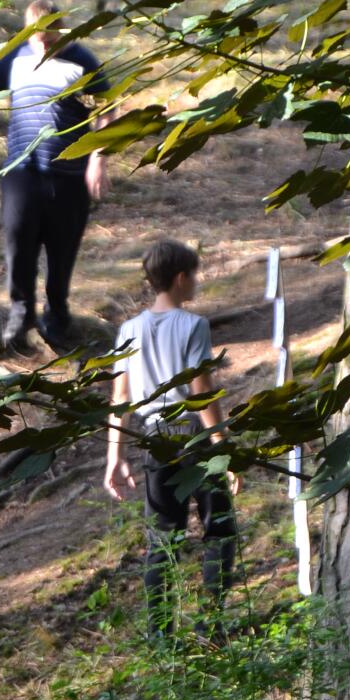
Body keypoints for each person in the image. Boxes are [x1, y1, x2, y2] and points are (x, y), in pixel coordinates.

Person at [104, 238, 240, 635]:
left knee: (163, 538)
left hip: (153, 439)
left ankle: (161, 634)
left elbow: (121, 398)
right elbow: (202, 392)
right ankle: (210, 625)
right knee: (219, 527)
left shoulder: (129, 329)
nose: (196, 282)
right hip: (192, 437)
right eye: (194, 275)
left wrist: (117, 456)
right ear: (181, 278)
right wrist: (223, 448)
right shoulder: (193, 325)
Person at [0, 0, 110, 353]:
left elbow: (106, 109)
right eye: (37, 37)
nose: (43, 44)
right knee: (18, 243)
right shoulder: (16, 57)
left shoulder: (81, 58)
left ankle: (57, 319)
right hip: (22, 171)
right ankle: (20, 316)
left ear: (61, 29)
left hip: (69, 174)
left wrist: (99, 158)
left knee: (61, 251)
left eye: (50, 36)